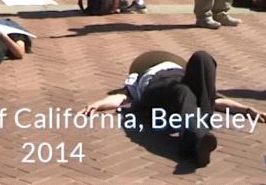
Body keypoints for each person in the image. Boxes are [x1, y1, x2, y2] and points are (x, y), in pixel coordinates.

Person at [79, 50, 266, 167]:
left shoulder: (187, 73)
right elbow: (122, 97)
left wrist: (247, 110)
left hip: (185, 91)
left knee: (203, 57)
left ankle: (195, 134)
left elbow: (215, 100)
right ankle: (197, 133)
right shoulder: (139, 75)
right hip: (157, 90)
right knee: (182, 90)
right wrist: (98, 104)